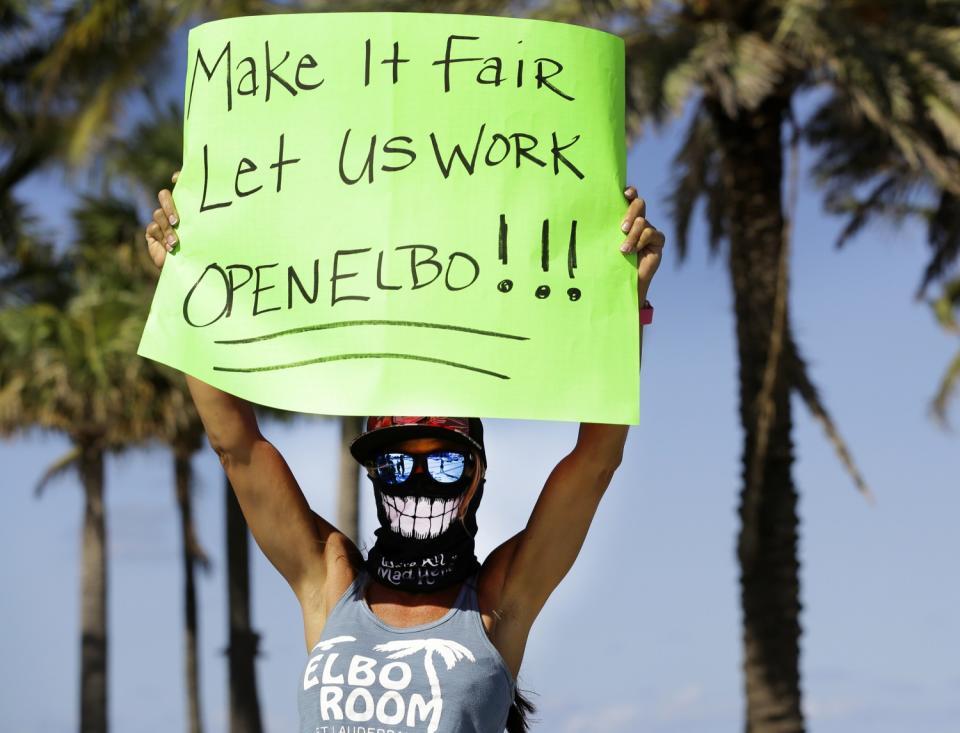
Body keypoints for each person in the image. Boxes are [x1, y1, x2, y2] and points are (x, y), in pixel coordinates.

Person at [144, 170, 665, 733]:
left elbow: (593, 463)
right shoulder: (331, 580)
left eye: (443, 462)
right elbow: (236, 446)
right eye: (396, 463)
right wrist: (186, 275)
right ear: (374, 474)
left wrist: (626, 300)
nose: (416, 479)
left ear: (477, 477)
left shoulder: (496, 603)